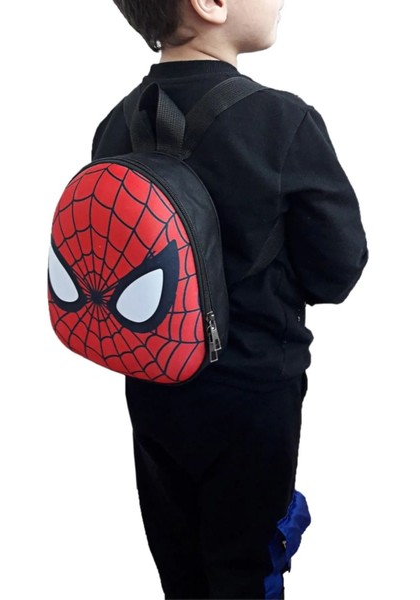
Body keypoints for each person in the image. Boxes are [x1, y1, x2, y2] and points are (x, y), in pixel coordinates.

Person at [91, 1, 369, 598]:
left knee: (180, 560)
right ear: (211, 3)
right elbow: (337, 272)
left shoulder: (114, 125)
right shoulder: (284, 122)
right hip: (254, 394)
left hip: (151, 385)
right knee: (246, 563)